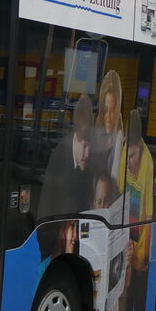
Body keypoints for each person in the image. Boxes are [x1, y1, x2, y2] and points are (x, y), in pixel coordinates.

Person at [122, 109, 154, 311]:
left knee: (138, 302)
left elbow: (149, 216)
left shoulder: (148, 162)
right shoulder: (124, 154)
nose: (129, 162)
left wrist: (144, 258)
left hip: (139, 251)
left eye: (133, 156)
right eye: (128, 156)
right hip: (125, 242)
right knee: (126, 300)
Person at [36, 93, 95, 223]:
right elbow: (48, 203)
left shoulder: (84, 158)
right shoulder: (61, 153)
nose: (88, 153)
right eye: (85, 146)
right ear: (77, 137)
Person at [93, 70, 126, 198]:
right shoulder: (95, 134)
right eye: (105, 110)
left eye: (113, 111)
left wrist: (118, 142)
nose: (108, 117)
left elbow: (115, 180)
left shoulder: (120, 139)